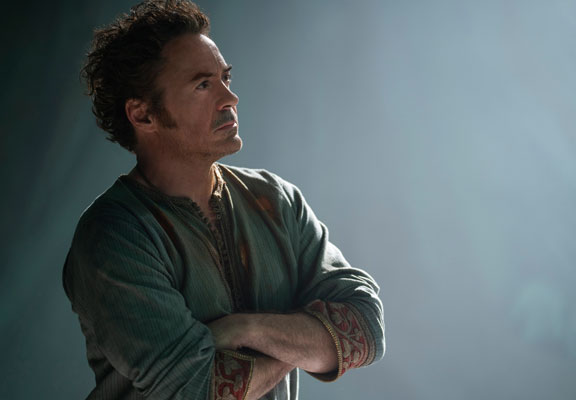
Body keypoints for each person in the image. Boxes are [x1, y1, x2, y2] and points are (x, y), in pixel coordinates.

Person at [62, 1, 385, 399]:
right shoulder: (114, 235)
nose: (229, 98)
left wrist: (246, 328)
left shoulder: (276, 199)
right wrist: (304, 342)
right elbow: (198, 390)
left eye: (225, 78)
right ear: (143, 114)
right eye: (203, 85)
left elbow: (367, 329)